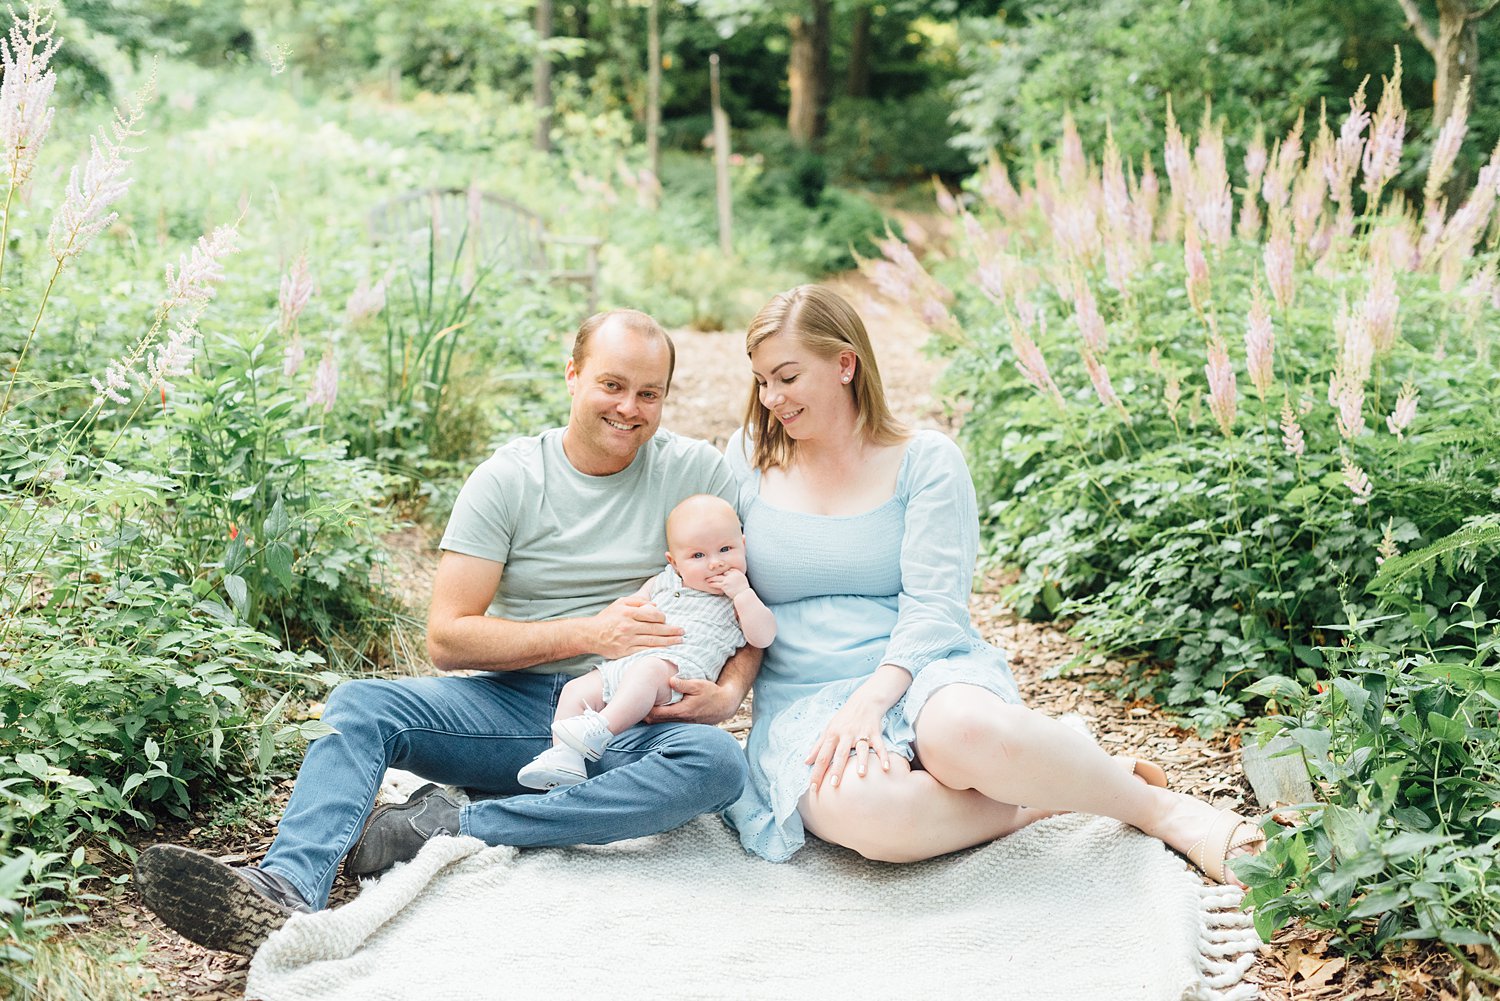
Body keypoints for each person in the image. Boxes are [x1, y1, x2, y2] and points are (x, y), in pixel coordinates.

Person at [134, 309, 760, 957]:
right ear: (572, 376)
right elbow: (448, 637)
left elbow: (751, 606)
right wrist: (591, 631)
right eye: (611, 384)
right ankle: (284, 885)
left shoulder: (698, 476)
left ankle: (450, 822)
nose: (630, 407)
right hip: (511, 706)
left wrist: (727, 692)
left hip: (634, 715)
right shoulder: (510, 478)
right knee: (358, 703)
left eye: (649, 393)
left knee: (716, 764)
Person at [722, 284, 1264, 884]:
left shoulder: (925, 460)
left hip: (921, 669)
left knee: (966, 733)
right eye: (761, 380)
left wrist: (873, 698)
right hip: (806, 701)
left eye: (787, 377)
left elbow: (934, 607)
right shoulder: (749, 458)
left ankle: (1162, 811)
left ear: (845, 364)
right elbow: (701, 568)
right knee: (878, 817)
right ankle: (1054, 786)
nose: (770, 397)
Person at [519, 494, 775, 789]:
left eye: (725, 549)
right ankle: (563, 758)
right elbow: (633, 605)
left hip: (678, 676)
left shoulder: (740, 597)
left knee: (649, 670)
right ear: (674, 562)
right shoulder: (665, 580)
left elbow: (763, 636)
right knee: (576, 689)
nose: (715, 564)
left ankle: (601, 729)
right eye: (698, 556)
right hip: (627, 665)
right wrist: (641, 608)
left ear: (743, 544)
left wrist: (743, 595)